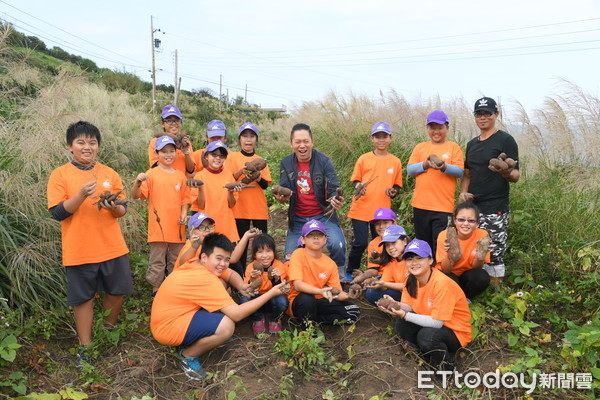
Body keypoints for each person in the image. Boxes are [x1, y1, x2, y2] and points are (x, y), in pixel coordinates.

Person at [47, 121, 134, 365]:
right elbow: (58, 213)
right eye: (81, 142)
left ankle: (107, 332)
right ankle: (86, 346)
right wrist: (81, 194)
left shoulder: (109, 174)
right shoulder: (60, 174)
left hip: (112, 246)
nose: (87, 147)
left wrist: (113, 206)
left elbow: (122, 209)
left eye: (92, 143)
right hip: (79, 248)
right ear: (70, 146)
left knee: (117, 291)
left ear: (98, 146)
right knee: (82, 298)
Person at [150, 233, 289, 380]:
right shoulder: (205, 279)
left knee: (223, 290)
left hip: (173, 315)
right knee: (227, 326)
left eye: (227, 259)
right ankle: (188, 356)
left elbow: (230, 274)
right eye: (219, 258)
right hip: (166, 327)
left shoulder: (195, 263)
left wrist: (242, 287)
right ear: (204, 257)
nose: (223, 264)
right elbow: (237, 314)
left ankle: (201, 337)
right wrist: (272, 293)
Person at [379, 239, 472, 372]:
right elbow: (409, 306)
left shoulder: (441, 284)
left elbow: (437, 323)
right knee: (402, 324)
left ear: (430, 260)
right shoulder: (411, 280)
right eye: (410, 259)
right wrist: (396, 305)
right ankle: (425, 355)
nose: (414, 263)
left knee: (427, 336)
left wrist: (405, 315)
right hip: (431, 321)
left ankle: (446, 370)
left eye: (419, 258)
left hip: (455, 331)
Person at [460, 97, 520, 285]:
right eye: (479, 114)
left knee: (494, 250)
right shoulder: (471, 144)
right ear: (475, 117)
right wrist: (462, 195)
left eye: (487, 113)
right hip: (473, 208)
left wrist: (505, 171)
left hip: (495, 205)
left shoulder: (505, 140)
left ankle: (495, 293)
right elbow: (467, 174)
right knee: (473, 248)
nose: (483, 117)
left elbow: (516, 175)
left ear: (496, 114)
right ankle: (478, 288)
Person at [274, 123, 347, 276]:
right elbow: (285, 188)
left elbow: (334, 186)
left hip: (323, 215)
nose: (302, 145)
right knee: (289, 258)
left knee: (337, 245)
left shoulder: (324, 161)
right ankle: (298, 282)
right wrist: (281, 197)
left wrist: (335, 199)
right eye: (298, 142)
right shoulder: (286, 163)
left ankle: (339, 277)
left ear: (312, 141)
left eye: (306, 141)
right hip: (298, 218)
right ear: (291, 144)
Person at [133, 135, 190, 294]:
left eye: (172, 151)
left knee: (176, 259)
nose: (168, 154)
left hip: (177, 226)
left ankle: (173, 289)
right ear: (156, 153)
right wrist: (137, 182)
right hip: (157, 227)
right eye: (164, 151)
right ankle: (156, 289)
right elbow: (137, 195)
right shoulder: (151, 174)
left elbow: (186, 198)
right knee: (157, 260)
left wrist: (184, 213)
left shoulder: (180, 175)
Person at [347, 121, 403, 280]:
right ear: (372, 139)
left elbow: (397, 185)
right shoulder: (364, 159)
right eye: (377, 137)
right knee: (360, 242)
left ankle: (380, 271)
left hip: (382, 212)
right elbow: (355, 180)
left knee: (381, 242)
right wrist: (359, 186)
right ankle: (351, 271)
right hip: (361, 208)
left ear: (390, 138)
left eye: (384, 136)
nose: (381, 140)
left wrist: (393, 192)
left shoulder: (395, 161)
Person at [407, 110, 464, 253]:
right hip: (420, 205)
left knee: (440, 246)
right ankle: (425, 274)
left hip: (443, 208)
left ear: (447, 128)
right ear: (427, 128)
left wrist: (443, 166)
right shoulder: (420, 147)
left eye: (440, 127)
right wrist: (425, 165)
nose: (436, 131)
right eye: (432, 127)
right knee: (423, 246)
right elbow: (410, 170)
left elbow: (459, 171)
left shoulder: (453, 147)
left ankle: (439, 274)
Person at [286, 220, 360, 326]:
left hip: (320, 300)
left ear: (325, 239)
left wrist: (349, 295)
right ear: (303, 240)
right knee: (307, 299)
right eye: (311, 235)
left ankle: (316, 322)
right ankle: (309, 329)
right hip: (300, 301)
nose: (316, 238)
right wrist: (320, 291)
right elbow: (298, 285)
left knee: (353, 311)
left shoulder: (330, 264)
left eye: (319, 235)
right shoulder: (297, 255)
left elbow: (337, 293)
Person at [229, 122, 272, 267]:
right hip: (239, 207)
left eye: (252, 136)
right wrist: (242, 171)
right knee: (241, 242)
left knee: (262, 242)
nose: (248, 140)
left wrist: (257, 175)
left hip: (257, 207)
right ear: (239, 139)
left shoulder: (261, 161)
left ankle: (263, 273)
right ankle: (240, 275)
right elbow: (229, 180)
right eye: (245, 136)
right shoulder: (232, 158)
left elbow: (265, 185)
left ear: (256, 140)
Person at [436, 203, 491, 299]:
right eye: (461, 220)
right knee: (446, 280)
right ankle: (453, 298)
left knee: (481, 277)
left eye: (471, 221)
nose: (466, 224)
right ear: (455, 220)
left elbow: (477, 268)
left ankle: (465, 297)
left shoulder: (482, 234)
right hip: (449, 273)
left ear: (477, 223)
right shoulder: (445, 235)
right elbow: (445, 270)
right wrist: (451, 256)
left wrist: (480, 257)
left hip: (468, 275)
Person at [239, 233, 289, 336]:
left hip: (273, 299)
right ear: (254, 254)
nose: (265, 255)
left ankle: (274, 319)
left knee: (283, 301)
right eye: (260, 252)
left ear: (274, 252)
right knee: (244, 301)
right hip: (257, 300)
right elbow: (247, 289)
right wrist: (252, 279)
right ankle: (257, 318)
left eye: (268, 251)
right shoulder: (251, 267)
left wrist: (277, 278)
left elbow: (281, 289)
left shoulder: (279, 266)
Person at [364, 225, 408, 305]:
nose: (390, 248)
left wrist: (384, 284)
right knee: (371, 293)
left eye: (394, 243)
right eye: (387, 245)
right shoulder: (391, 260)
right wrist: (377, 283)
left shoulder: (413, 260)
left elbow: (410, 287)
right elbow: (385, 284)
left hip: (414, 294)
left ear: (404, 241)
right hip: (401, 292)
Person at [148, 105, 195, 176]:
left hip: (180, 184)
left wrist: (185, 151)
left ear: (181, 123)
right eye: (169, 120)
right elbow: (154, 166)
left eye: (177, 120)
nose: (174, 123)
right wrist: (169, 138)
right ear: (162, 124)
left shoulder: (185, 143)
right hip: (162, 182)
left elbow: (191, 170)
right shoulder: (155, 142)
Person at [365, 208, 397, 274]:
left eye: (385, 222)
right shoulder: (374, 243)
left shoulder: (402, 240)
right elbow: (373, 269)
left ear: (394, 223)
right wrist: (364, 275)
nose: (381, 226)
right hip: (380, 277)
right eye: (378, 223)